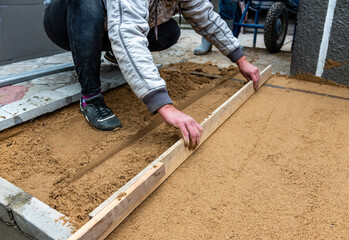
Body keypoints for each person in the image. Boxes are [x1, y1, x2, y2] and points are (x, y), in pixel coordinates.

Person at [43, 0, 259, 149]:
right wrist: (164, 105)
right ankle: (90, 96)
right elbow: (127, 32)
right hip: (65, 20)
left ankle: (114, 52)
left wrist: (241, 60)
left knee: (170, 31)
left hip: (108, 23)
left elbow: (207, 17)